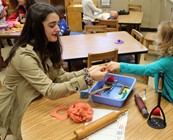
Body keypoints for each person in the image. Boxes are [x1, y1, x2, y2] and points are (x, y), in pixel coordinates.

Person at [0, 3, 108, 140]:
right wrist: (88, 78)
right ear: (36, 28)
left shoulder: (46, 46)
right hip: (17, 107)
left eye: (57, 23)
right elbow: (50, 90)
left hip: (36, 98)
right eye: (52, 25)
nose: (58, 28)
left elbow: (60, 77)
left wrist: (87, 72)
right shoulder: (24, 57)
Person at [107, 20, 173, 116]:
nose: (156, 40)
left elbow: (146, 69)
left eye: (160, 37)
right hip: (164, 98)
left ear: (170, 43)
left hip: (172, 102)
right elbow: (155, 72)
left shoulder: (169, 61)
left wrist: (120, 66)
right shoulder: (168, 58)